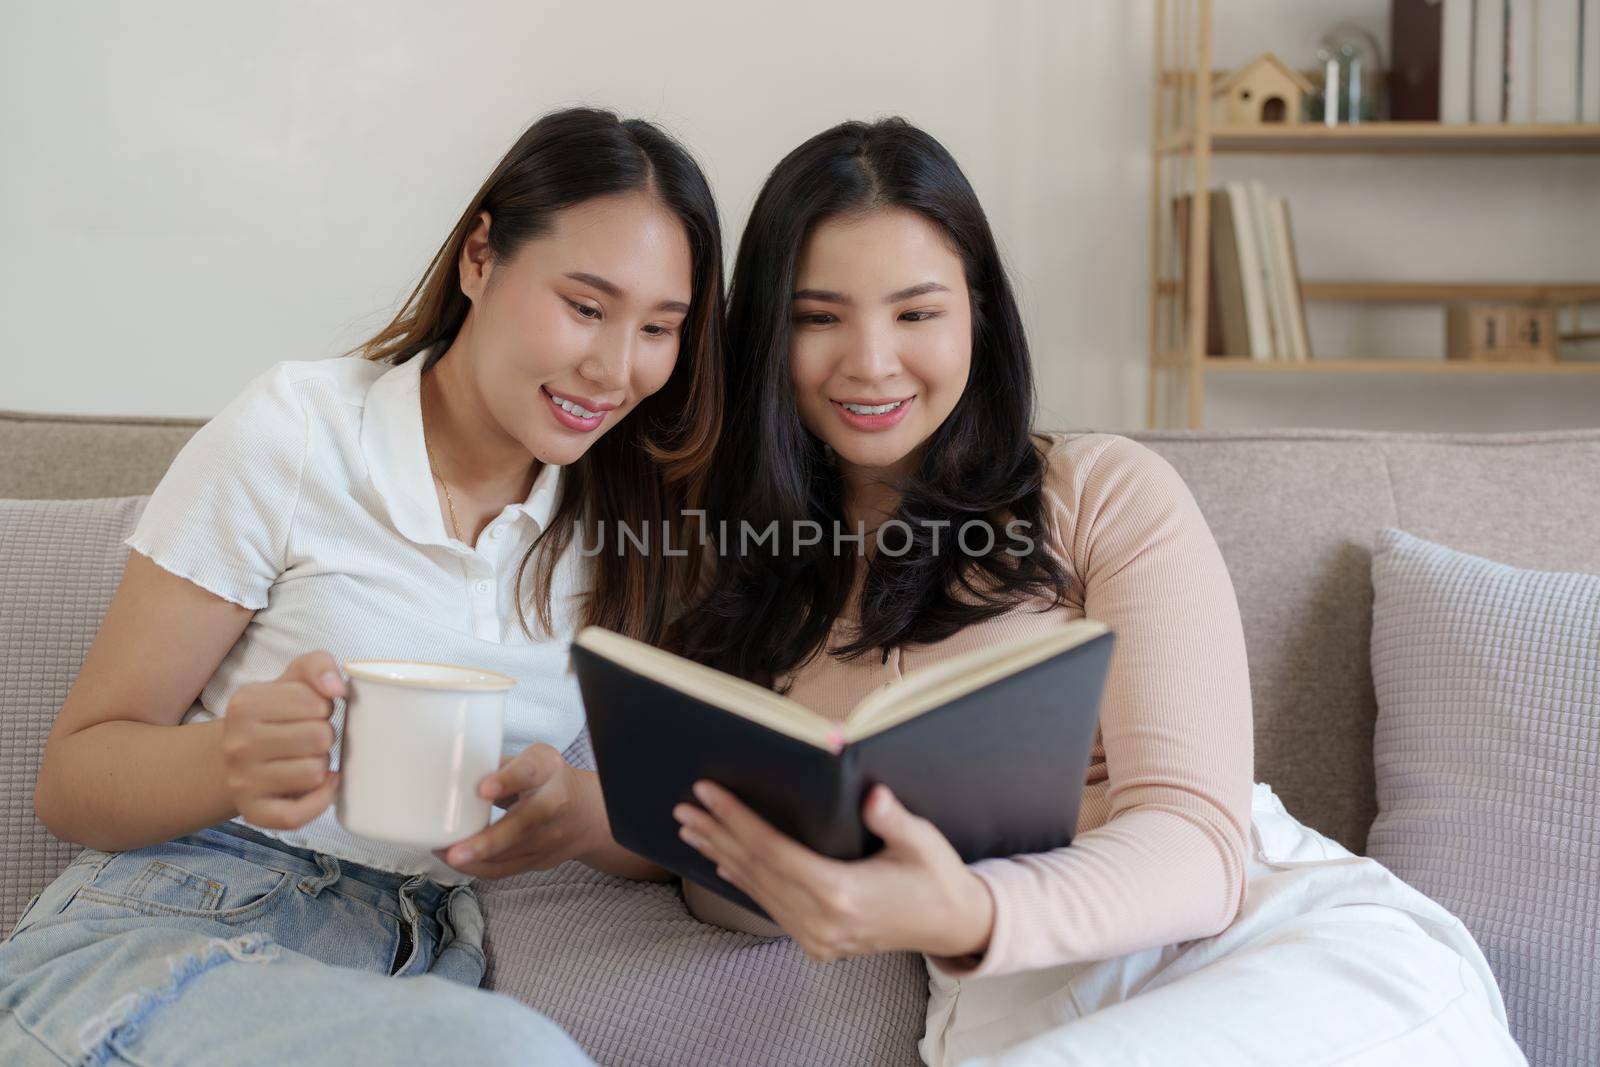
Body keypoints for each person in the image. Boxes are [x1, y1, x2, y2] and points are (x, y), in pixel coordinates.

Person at [671, 117, 1524, 1066]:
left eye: (917, 313)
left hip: (1277, 947)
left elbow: (1199, 845)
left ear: (979, 316)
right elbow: (743, 896)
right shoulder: (745, 573)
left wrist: (966, 904)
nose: (871, 361)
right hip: (1012, 1013)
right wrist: (621, 823)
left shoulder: (1101, 491)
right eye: (817, 316)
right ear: (765, 335)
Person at [1, 106, 724, 1066]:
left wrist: (589, 818)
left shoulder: (622, 525)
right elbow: (75, 778)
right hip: (170, 929)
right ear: (480, 258)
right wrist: (231, 759)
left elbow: (680, 833)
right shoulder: (298, 433)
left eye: (659, 328)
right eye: (586, 307)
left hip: (407, 963)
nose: (615, 367)